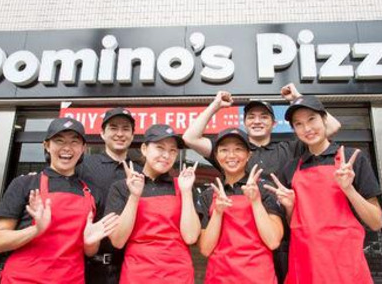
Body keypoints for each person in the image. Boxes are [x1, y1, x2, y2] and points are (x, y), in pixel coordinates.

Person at [183, 83, 341, 283]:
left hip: (284, 238)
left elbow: (332, 127)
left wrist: (297, 99)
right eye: (251, 117)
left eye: (264, 116)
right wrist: (215, 105)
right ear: (244, 122)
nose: (257, 121)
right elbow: (189, 137)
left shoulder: (289, 148)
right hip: (244, 248)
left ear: (274, 124)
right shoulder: (234, 152)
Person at [264, 96, 382, 284]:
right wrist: (290, 207)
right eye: (299, 124)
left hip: (344, 266)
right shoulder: (290, 168)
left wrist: (349, 190)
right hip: (305, 266)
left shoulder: (352, 159)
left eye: (312, 119)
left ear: (324, 119)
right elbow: (294, 224)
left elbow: (376, 222)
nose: (307, 128)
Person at [0, 117, 119, 284]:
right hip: (23, 279)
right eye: (59, 141)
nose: (67, 147)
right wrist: (36, 230)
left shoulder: (93, 192)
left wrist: (90, 243)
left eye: (74, 142)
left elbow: (89, 252)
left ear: (83, 149)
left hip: (71, 279)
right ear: (47, 145)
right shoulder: (24, 184)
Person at [105, 124, 201, 283]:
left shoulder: (183, 186)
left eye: (172, 150)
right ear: (144, 149)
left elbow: (190, 237)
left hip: (178, 275)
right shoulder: (122, 187)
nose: (166, 155)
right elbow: (118, 240)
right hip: (138, 275)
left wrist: (186, 191)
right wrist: (134, 196)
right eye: (160, 148)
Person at [197, 128, 284, 284]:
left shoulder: (264, 188)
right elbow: (205, 249)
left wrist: (256, 201)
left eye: (238, 149)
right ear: (216, 156)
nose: (231, 155)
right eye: (224, 150)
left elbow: (273, 241)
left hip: (259, 277)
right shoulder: (208, 194)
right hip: (219, 278)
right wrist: (218, 212)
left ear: (248, 155)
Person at [79, 107, 141, 284]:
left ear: (133, 135)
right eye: (113, 128)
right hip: (89, 266)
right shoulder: (84, 166)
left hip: (130, 267)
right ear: (102, 133)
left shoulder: (140, 172)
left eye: (126, 129)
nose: (120, 134)